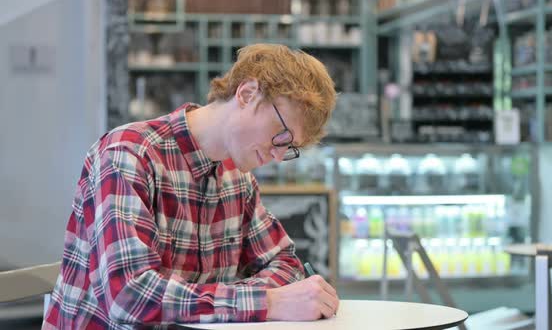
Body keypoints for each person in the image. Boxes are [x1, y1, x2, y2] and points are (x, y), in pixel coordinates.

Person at [43, 43, 339, 329]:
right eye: (281, 136)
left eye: (290, 148)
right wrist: (268, 301)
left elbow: (285, 264)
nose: (277, 156)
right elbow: (130, 296)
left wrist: (251, 298)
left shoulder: (238, 179)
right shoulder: (129, 155)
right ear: (248, 94)